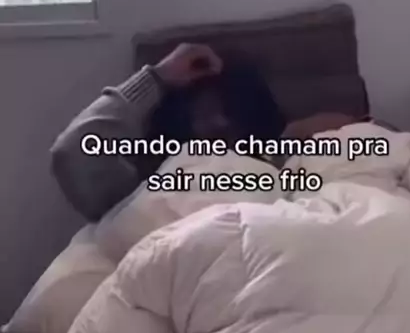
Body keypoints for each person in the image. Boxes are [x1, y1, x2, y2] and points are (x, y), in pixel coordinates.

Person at [51, 43, 285, 222]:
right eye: (205, 113)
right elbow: (72, 153)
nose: (220, 122)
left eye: (233, 111)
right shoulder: (142, 191)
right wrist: (156, 78)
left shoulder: (283, 173)